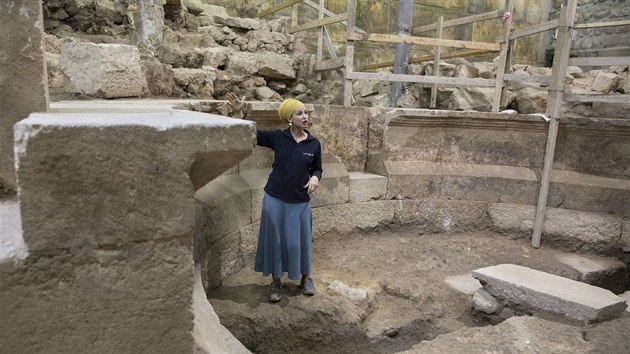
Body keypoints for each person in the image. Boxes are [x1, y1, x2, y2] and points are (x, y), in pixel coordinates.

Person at [227, 92, 323, 302]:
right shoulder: (278, 138)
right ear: (290, 118)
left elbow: (317, 168)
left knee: (298, 243)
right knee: (276, 242)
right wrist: (239, 114)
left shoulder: (313, 144)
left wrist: (316, 178)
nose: (305, 116)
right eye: (299, 113)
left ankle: (306, 278)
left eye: (305, 112)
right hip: (275, 199)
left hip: (300, 202)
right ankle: (275, 282)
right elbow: (251, 134)